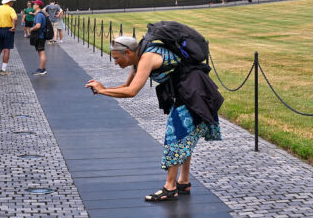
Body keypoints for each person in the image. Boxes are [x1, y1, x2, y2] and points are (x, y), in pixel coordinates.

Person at [85, 36, 222, 202]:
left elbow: (131, 92)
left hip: (193, 94)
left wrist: (102, 91)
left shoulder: (146, 58)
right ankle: (183, 182)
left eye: (116, 58)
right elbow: (127, 87)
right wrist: (104, 88)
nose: (115, 62)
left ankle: (170, 188)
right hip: (187, 92)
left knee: (175, 138)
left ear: (128, 53)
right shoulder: (139, 57)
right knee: (185, 138)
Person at [30, 0, 48, 76]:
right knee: (41, 52)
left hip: (40, 36)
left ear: (38, 6)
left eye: (34, 4)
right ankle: (42, 68)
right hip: (41, 36)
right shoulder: (41, 14)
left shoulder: (39, 15)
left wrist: (31, 29)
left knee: (41, 52)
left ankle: (41, 69)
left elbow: (38, 26)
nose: (33, 5)